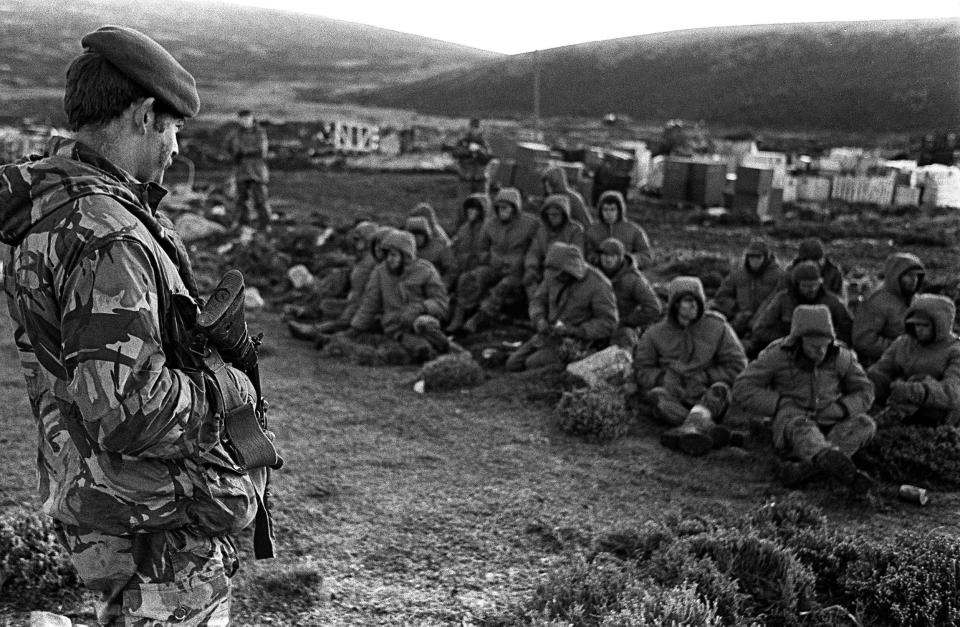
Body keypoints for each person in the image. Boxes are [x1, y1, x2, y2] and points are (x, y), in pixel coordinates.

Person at [0, 25, 271, 623]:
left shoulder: (52, 208)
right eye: (174, 128)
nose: (175, 149)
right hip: (153, 518)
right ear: (146, 115)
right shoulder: (110, 236)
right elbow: (126, 407)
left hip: (104, 497)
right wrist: (227, 390)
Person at [732, 305, 875, 491]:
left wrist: (841, 408)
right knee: (803, 428)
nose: (821, 352)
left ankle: (806, 469)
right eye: (814, 347)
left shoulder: (842, 357)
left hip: (832, 420)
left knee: (865, 424)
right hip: (793, 420)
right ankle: (827, 459)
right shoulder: (777, 356)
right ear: (799, 341)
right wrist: (778, 403)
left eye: (825, 345)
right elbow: (742, 386)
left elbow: (866, 391)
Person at [633, 277, 747, 455]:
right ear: (676, 305)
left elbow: (738, 365)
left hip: (706, 395)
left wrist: (707, 376)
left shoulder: (717, 326)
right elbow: (642, 369)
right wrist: (663, 378)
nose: (694, 305)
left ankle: (687, 429)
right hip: (674, 396)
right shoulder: (654, 333)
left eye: (697, 301)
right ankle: (707, 430)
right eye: (688, 301)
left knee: (721, 390)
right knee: (657, 396)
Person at [505, 242, 618, 371]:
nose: (556, 277)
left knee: (532, 364)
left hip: (575, 342)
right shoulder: (553, 275)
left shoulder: (598, 284)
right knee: (513, 364)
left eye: (560, 274)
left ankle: (576, 363)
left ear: (570, 270)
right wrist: (539, 319)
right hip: (549, 335)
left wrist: (575, 330)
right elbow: (538, 300)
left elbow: (609, 322)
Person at [347, 230, 452, 362]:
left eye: (394, 255)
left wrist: (420, 308)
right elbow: (370, 304)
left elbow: (441, 303)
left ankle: (446, 348)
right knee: (421, 349)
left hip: (422, 322)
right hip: (396, 328)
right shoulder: (380, 272)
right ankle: (429, 352)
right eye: (388, 255)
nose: (390, 259)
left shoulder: (425, 270)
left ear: (405, 256)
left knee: (424, 325)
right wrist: (356, 327)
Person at [451, 188, 538, 334]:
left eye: (506, 208)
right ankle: (459, 314)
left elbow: (536, 248)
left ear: (514, 208)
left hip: (516, 270)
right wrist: (489, 258)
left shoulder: (530, 224)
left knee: (503, 287)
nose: (502, 211)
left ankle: (479, 318)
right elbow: (482, 248)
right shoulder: (490, 224)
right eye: (499, 208)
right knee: (471, 277)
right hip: (493, 265)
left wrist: (524, 263)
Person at [868, 294, 960, 427]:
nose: (919, 329)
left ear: (940, 325)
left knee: (918, 379)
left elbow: (952, 393)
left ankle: (884, 422)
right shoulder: (904, 343)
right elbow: (881, 370)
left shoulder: (955, 350)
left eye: (924, 325)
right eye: (915, 324)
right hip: (898, 398)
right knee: (871, 377)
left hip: (938, 411)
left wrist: (914, 390)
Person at [286, 221, 383, 339]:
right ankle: (312, 319)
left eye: (360, 239)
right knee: (328, 302)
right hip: (355, 302)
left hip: (361, 306)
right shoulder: (363, 259)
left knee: (336, 311)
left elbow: (363, 295)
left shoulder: (370, 262)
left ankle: (316, 330)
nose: (356, 242)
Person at [748, 260, 853, 355]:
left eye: (815, 285)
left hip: (822, 353)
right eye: (806, 286)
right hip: (788, 353)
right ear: (796, 284)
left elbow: (848, 329)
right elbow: (760, 329)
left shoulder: (832, 302)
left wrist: (829, 343)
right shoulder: (783, 300)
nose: (811, 290)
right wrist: (786, 340)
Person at [852, 252, 924, 366]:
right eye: (909, 275)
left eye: (917, 275)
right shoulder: (876, 302)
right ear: (896, 276)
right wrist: (900, 349)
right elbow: (863, 340)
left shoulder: (917, 300)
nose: (914, 279)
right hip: (884, 364)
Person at [711, 237, 784, 338]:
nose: (754, 260)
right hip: (740, 321)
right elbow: (721, 296)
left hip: (767, 324)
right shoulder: (738, 274)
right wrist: (736, 310)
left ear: (766, 257)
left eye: (758, 257)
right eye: (751, 257)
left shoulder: (778, 276)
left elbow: (782, 301)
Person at [596, 238, 662, 349]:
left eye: (612, 256)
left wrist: (626, 321)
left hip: (622, 327)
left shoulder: (633, 279)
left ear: (620, 257)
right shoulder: (594, 275)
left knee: (624, 337)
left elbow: (653, 307)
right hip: (597, 324)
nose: (607, 259)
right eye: (604, 255)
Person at [523, 194, 585, 301]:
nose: (552, 218)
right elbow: (534, 252)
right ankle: (536, 310)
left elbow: (577, 255)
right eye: (549, 215)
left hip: (565, 272)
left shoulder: (575, 230)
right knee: (530, 281)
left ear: (564, 214)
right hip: (544, 269)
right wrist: (531, 268)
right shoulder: (542, 230)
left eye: (556, 215)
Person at [224, 108, 271, 231]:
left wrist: (243, 151)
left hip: (257, 171)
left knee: (261, 199)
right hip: (241, 170)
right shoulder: (235, 133)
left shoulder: (260, 132)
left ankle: (265, 225)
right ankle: (243, 224)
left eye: (247, 119)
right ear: (239, 120)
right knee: (241, 199)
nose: (245, 121)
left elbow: (261, 150)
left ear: (251, 118)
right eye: (242, 119)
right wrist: (236, 154)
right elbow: (228, 146)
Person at [584, 190, 654, 269]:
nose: (609, 213)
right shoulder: (592, 230)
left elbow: (647, 256)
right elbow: (586, 253)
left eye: (612, 209)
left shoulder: (634, 230)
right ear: (600, 211)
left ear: (619, 210)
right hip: (599, 272)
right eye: (605, 209)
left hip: (626, 272)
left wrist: (629, 260)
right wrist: (598, 259)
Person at [779, 237, 847, 302]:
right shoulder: (790, 275)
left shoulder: (834, 274)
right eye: (809, 261)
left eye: (816, 260)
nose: (813, 265)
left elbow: (840, 302)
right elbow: (781, 299)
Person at [405, 215, 456, 288]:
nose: (417, 239)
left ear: (426, 234)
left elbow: (452, 269)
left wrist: (443, 285)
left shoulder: (438, 247)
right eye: (413, 236)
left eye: (419, 235)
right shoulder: (406, 249)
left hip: (433, 284)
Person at [452, 118, 492, 199]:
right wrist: (468, 150)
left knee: (482, 203)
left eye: (476, 127)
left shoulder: (483, 143)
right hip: (465, 179)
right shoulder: (462, 141)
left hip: (480, 180)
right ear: (469, 127)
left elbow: (487, 158)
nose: (474, 130)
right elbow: (455, 153)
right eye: (472, 127)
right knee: (464, 204)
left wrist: (479, 150)